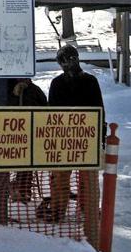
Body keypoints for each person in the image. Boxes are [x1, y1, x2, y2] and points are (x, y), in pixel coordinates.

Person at [41, 44, 104, 222]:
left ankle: (89, 210)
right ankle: (57, 211)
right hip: (63, 139)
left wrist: (100, 135)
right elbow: (51, 113)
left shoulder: (89, 81)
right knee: (60, 177)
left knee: (88, 177)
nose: (68, 64)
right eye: (64, 62)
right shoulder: (57, 83)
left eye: (70, 60)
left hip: (86, 138)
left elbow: (98, 109)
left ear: (77, 59)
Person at [8, 77, 47, 203]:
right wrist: (14, 96)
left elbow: (46, 111)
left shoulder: (35, 91)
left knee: (26, 163)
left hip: (30, 135)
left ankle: (23, 192)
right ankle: (9, 189)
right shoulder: (7, 89)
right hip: (9, 135)